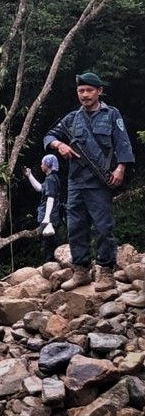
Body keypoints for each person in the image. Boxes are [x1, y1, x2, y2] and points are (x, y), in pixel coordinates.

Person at [44, 72, 135, 293]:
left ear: (99, 91)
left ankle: (106, 271)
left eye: (89, 90)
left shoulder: (111, 115)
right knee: (76, 228)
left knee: (104, 228)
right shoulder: (72, 119)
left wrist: (120, 168)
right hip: (75, 182)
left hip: (100, 182)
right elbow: (48, 136)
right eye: (81, 91)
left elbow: (123, 143)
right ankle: (81, 271)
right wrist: (59, 145)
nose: (84, 95)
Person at [23, 155, 63, 263]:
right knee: (49, 241)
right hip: (50, 215)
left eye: (42, 163)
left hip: (49, 216)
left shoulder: (51, 179)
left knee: (49, 243)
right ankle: (52, 263)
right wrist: (29, 175)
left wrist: (46, 218)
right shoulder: (51, 178)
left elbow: (50, 198)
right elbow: (40, 188)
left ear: (47, 165)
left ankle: (50, 264)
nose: (41, 166)